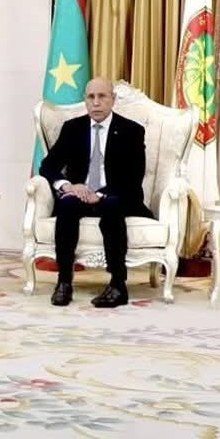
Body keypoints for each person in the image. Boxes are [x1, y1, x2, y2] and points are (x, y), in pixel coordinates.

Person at [36, 77, 147, 308]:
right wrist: (68, 186)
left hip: (117, 195)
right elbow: (48, 166)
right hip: (81, 194)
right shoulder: (73, 128)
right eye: (91, 97)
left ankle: (118, 285)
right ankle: (64, 282)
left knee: (111, 206)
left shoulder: (132, 131)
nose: (96, 102)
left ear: (112, 99)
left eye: (102, 96)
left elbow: (134, 177)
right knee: (67, 205)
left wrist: (101, 194)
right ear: (85, 101)